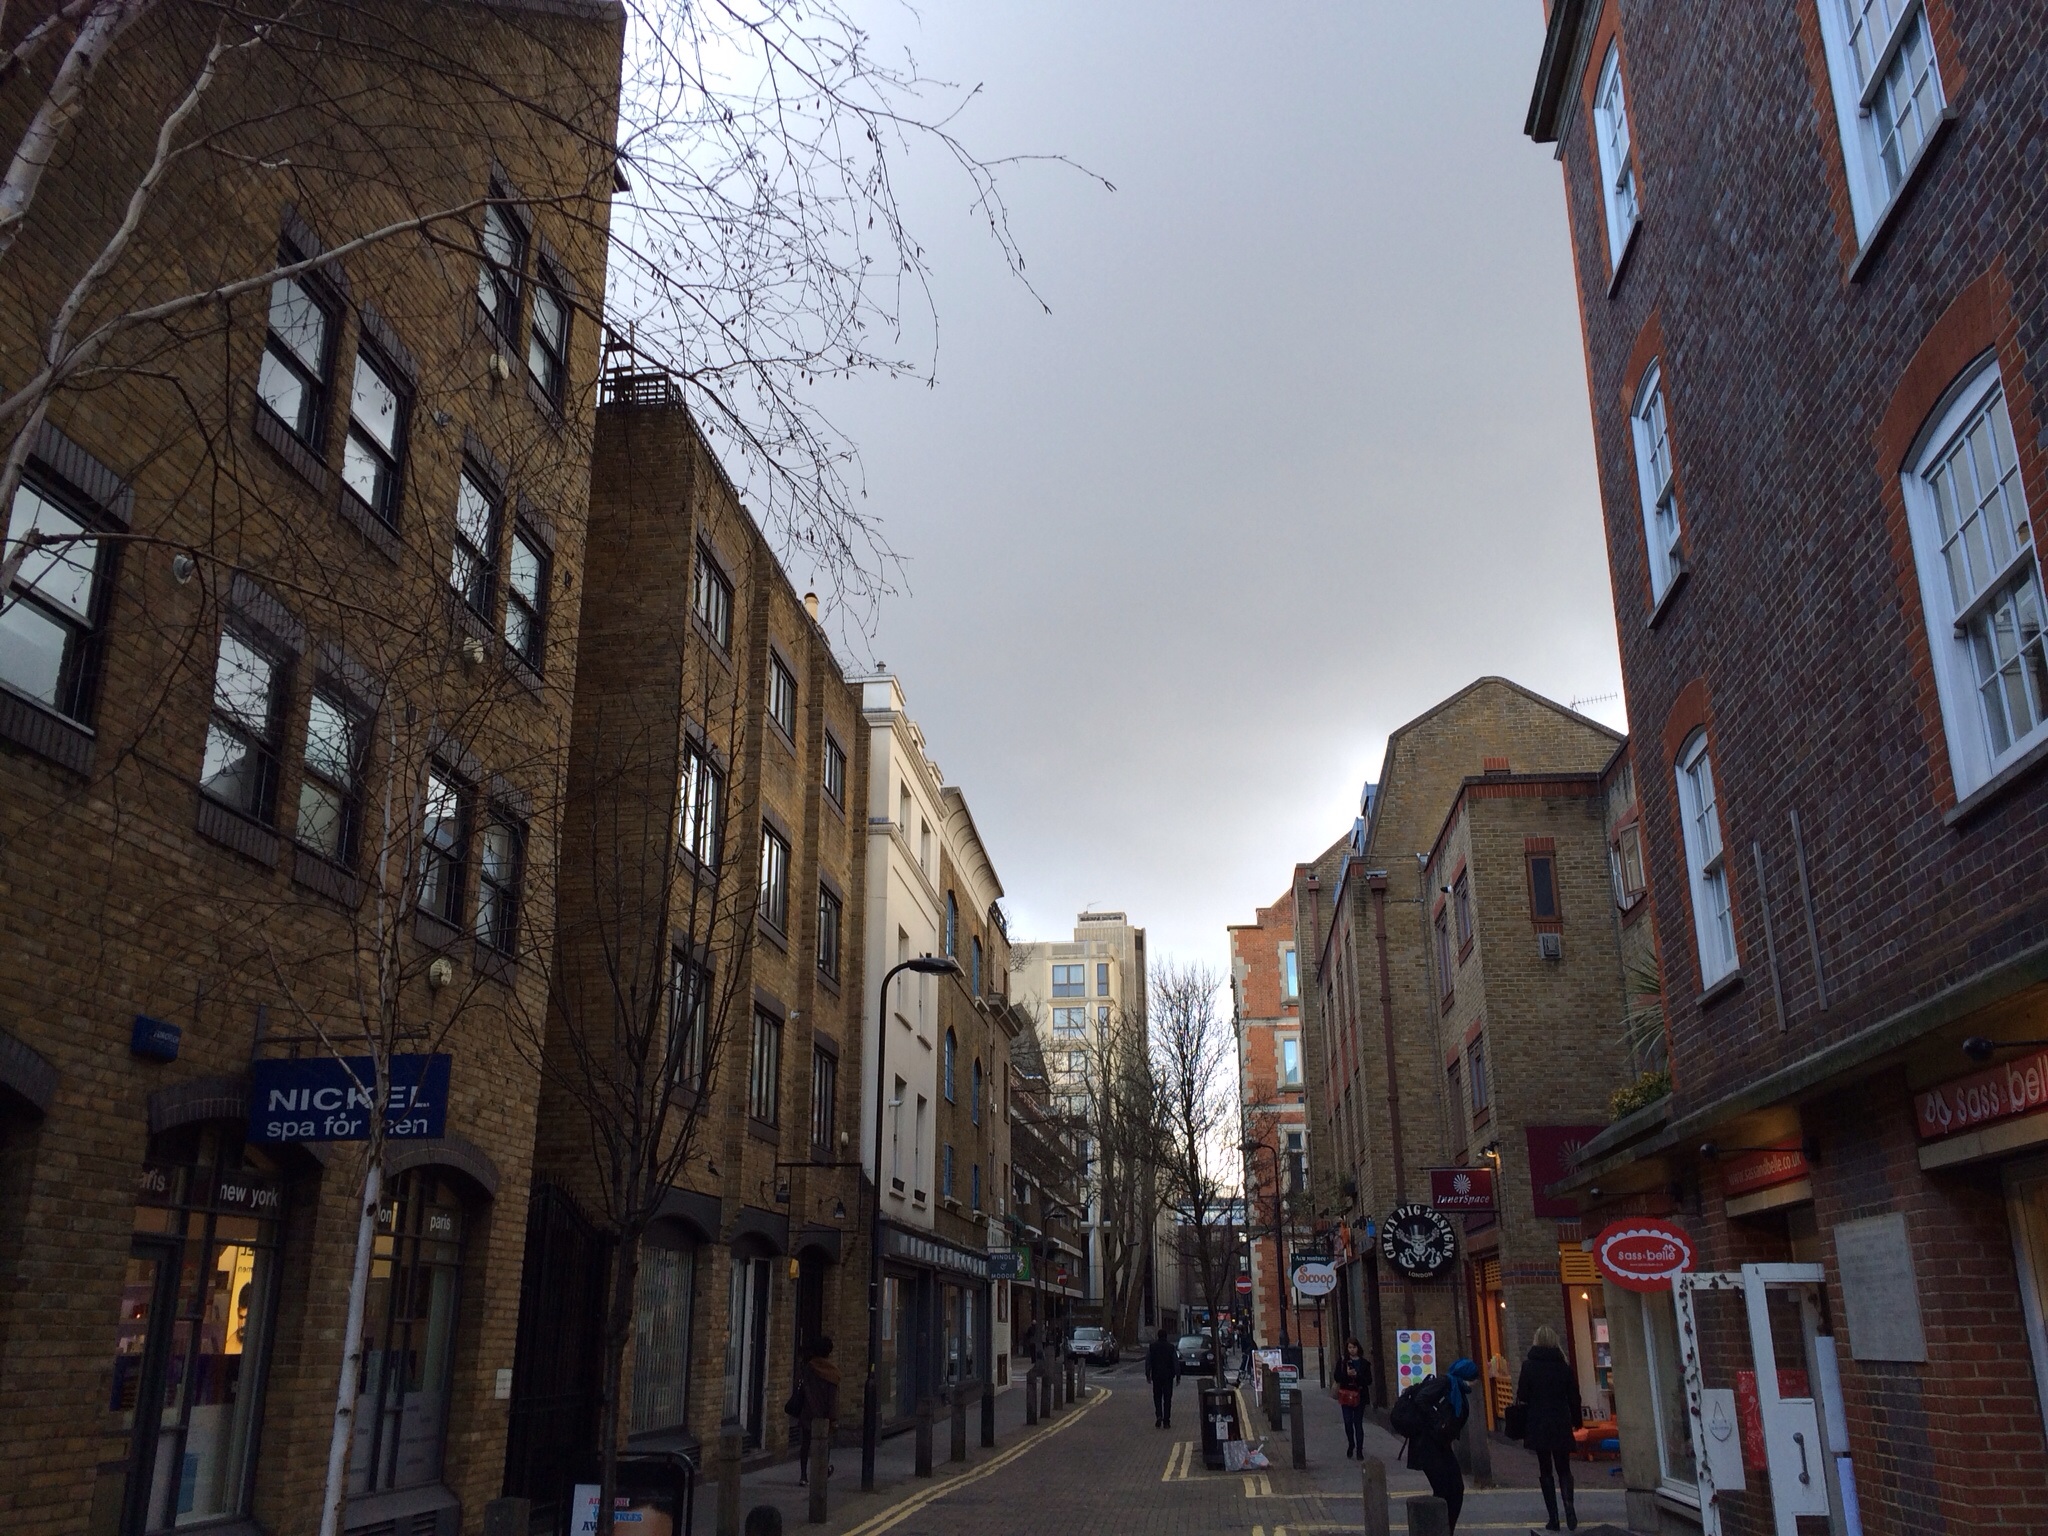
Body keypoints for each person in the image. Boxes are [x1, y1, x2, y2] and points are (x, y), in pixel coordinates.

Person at [1514, 1326, 1582, 1531]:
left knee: (1545, 1469)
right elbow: (1574, 1397)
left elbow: (1523, 1395)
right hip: (1560, 1420)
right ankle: (1569, 1507)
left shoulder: (1528, 1366)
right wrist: (1577, 1421)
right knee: (1564, 1467)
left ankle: (1553, 1518)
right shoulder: (1564, 1367)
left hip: (1538, 1422)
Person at [1403, 1357, 1477, 1533]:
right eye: (1474, 1377)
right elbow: (1421, 1399)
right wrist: (1439, 1422)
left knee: (1455, 1489)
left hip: (1440, 1445)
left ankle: (1446, 1530)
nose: (1476, 1382)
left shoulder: (1456, 1389)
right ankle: (1440, 1530)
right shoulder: (1444, 1383)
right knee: (1444, 1490)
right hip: (1427, 1445)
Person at [791, 1337, 841, 1487]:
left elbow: (802, 1388)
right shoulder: (832, 1372)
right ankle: (822, 1472)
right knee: (825, 1444)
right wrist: (833, 1418)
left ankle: (803, 1475)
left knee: (805, 1444)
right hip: (824, 1415)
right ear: (829, 1352)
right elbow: (832, 1399)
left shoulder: (809, 1368)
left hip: (808, 1411)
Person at [1333, 1337, 1371, 1458]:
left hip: (1359, 1396)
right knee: (1348, 1422)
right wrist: (1346, 1374)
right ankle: (1351, 1443)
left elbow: (1369, 1380)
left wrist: (1357, 1375)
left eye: (1354, 1347)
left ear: (1358, 1348)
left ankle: (1359, 1450)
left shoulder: (1364, 1363)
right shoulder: (1343, 1362)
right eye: (1350, 1347)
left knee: (1358, 1423)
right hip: (1346, 1395)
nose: (1352, 1350)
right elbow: (1337, 1377)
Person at [1144, 1324, 1182, 1427]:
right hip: (1168, 1376)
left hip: (1156, 1375)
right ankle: (1166, 1420)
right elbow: (1175, 1362)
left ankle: (1159, 1415)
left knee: (1157, 1397)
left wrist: (1148, 1374)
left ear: (1158, 1336)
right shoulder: (1171, 1347)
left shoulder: (1152, 1347)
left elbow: (1148, 1362)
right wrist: (1178, 1376)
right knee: (1167, 1398)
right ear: (1166, 1336)